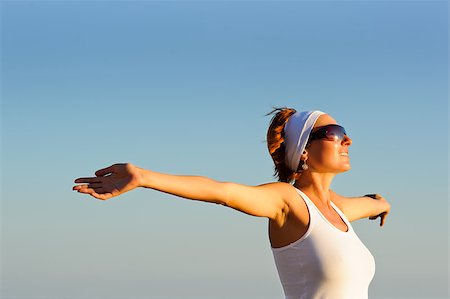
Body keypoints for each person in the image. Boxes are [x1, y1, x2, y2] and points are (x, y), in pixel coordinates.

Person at [73, 107, 390, 299]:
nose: (347, 140)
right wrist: (143, 176)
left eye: (346, 133)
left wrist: (380, 203)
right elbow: (221, 192)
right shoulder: (288, 201)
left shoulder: (336, 210)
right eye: (334, 133)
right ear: (304, 150)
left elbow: (367, 204)